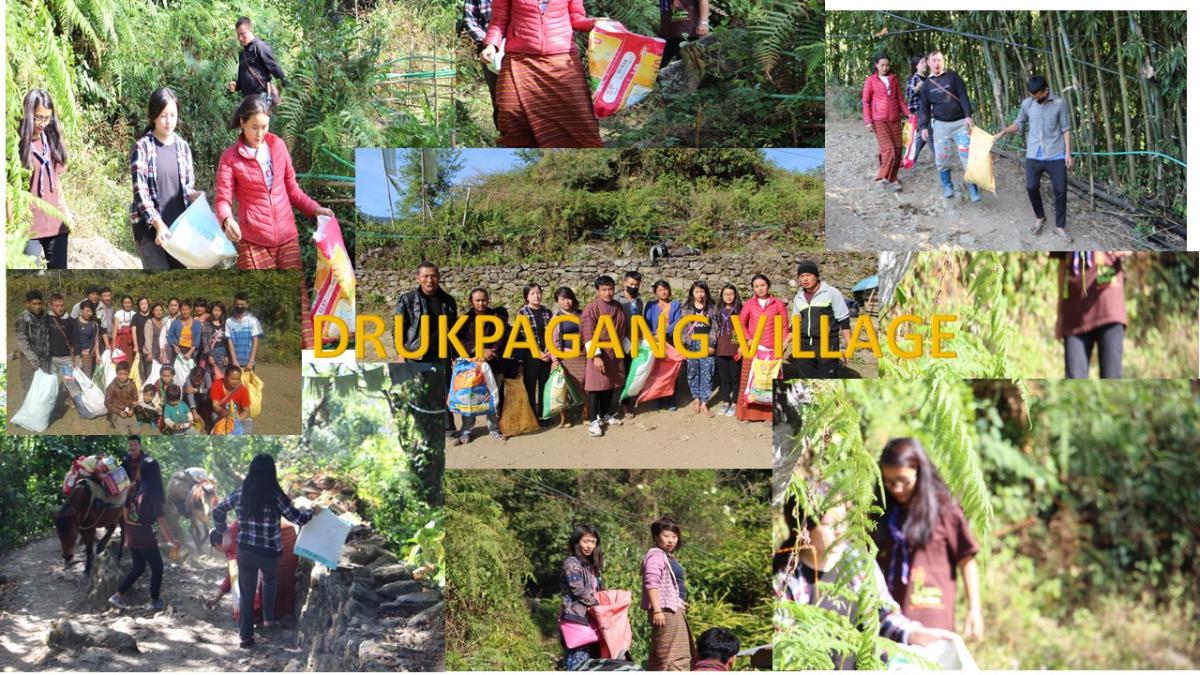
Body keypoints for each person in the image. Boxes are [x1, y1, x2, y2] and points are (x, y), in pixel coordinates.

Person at [774, 494, 957, 668]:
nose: (840, 531)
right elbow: (786, 646)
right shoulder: (787, 582)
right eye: (830, 524)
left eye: (843, 521)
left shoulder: (859, 563)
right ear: (804, 530)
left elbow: (884, 616)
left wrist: (916, 634)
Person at [214, 95, 332, 350]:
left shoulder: (277, 146)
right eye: (254, 127)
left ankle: (309, 359)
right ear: (243, 123)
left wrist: (316, 209)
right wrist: (227, 219)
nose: (259, 133)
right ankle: (261, 357)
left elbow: (293, 189)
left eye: (264, 127)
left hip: (286, 237)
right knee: (261, 303)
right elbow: (222, 198)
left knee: (297, 299)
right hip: (253, 241)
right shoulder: (230, 158)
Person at [876, 439, 983, 638]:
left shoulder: (945, 509)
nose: (897, 489)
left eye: (904, 481)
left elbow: (967, 560)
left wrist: (974, 610)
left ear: (920, 473)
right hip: (892, 623)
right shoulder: (882, 511)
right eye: (889, 482)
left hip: (932, 619)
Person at [211, 454, 315, 648]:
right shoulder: (275, 496)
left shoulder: (241, 493)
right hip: (269, 553)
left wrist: (221, 529)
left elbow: (217, 510)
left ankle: (245, 638)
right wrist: (311, 512)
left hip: (246, 551)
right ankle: (268, 619)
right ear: (271, 473)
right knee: (269, 581)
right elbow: (298, 519)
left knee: (247, 594)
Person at [478, 0, 604, 148]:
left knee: (578, 121)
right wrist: (491, 45)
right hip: (519, 59)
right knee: (510, 111)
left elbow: (576, 18)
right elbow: (499, 20)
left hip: (562, 60)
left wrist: (594, 23)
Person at [993, 75, 1075, 242]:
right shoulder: (1027, 104)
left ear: (1046, 90)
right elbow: (1019, 123)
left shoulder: (1059, 103)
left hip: (1055, 153)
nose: (1035, 99)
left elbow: (1066, 129)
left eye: (1038, 96)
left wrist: (1068, 153)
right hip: (1034, 153)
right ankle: (1040, 216)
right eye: (1032, 96)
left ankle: (1060, 227)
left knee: (1060, 190)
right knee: (1031, 187)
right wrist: (1004, 131)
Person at [129, 87, 199, 269]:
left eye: (173, 115)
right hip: (150, 231)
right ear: (153, 116)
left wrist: (198, 202)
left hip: (179, 232)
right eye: (163, 116)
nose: (169, 122)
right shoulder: (142, 147)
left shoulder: (183, 147)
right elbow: (140, 193)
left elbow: (188, 188)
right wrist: (158, 224)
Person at [108, 457, 181, 611]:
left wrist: (129, 524)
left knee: (139, 567)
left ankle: (117, 596)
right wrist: (172, 541)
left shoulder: (134, 487)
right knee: (158, 567)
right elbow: (162, 521)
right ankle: (154, 601)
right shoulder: (153, 493)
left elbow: (125, 508)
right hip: (144, 535)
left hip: (131, 531)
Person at [396, 262, 459, 436]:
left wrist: (455, 354)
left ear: (439, 277)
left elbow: (454, 330)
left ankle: (448, 429)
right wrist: (401, 354)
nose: (429, 280)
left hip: (442, 353)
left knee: (444, 391)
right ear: (418, 278)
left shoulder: (448, 301)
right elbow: (398, 328)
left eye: (433, 276)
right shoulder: (407, 299)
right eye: (425, 276)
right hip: (416, 354)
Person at [1050, 251, 1128, 378]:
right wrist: (1060, 315)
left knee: (1111, 378)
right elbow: (1062, 265)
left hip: (1108, 305)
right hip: (1075, 312)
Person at [18, 89, 72, 268]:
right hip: (28, 225)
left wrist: (66, 213)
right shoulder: (16, 142)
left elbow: (57, 182)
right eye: (38, 117)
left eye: (47, 118)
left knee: (59, 277)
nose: (43, 123)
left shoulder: (51, 136)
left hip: (56, 223)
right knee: (31, 276)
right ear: (28, 113)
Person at [918, 50, 979, 201]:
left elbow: (963, 96)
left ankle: (973, 187)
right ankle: (947, 185)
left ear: (943, 61)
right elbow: (924, 107)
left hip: (960, 124)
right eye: (933, 61)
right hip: (940, 125)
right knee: (942, 156)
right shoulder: (926, 85)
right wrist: (923, 126)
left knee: (967, 156)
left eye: (939, 60)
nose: (937, 63)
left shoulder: (953, 77)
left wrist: (968, 116)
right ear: (929, 63)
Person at [456, 288, 507, 444]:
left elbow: (503, 337)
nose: (481, 303)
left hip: (494, 362)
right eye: (477, 300)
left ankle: (494, 428)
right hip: (472, 365)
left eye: (484, 300)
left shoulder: (496, 317)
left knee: (493, 396)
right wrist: (478, 351)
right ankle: (466, 429)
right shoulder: (464, 319)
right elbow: (459, 340)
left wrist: (492, 352)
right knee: (469, 396)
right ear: (471, 301)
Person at [580, 275, 628, 437]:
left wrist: (628, 348)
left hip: (615, 351)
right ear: (597, 291)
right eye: (604, 290)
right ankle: (594, 421)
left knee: (610, 384)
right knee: (595, 387)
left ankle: (604, 415)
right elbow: (588, 333)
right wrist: (596, 356)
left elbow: (623, 329)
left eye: (610, 289)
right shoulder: (591, 308)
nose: (608, 293)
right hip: (599, 351)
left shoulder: (618, 306)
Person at [643, 516, 693, 671]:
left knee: (667, 654)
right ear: (656, 537)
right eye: (666, 536)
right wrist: (657, 610)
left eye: (674, 536)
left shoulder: (667, 556)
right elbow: (651, 583)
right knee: (675, 657)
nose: (671, 540)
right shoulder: (656, 555)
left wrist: (679, 601)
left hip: (673, 609)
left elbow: (672, 585)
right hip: (665, 611)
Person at [736, 274, 788, 422]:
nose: (760, 288)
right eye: (756, 286)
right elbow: (740, 323)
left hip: (772, 349)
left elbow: (784, 327)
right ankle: (746, 414)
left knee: (770, 382)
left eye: (762, 285)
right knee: (749, 381)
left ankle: (770, 415)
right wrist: (748, 339)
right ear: (753, 288)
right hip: (753, 348)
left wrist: (782, 345)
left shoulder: (778, 304)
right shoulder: (749, 304)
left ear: (768, 285)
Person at [789, 261, 852, 379]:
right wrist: (784, 343)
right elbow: (795, 324)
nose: (805, 279)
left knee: (826, 379)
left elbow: (844, 320)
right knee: (805, 378)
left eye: (808, 275)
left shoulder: (831, 292)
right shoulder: (798, 297)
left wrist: (850, 346)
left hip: (827, 344)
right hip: (804, 344)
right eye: (802, 276)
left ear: (816, 276)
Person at [862, 52, 910, 192]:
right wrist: (868, 121)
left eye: (887, 65)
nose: (885, 68)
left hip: (895, 120)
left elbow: (900, 100)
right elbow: (866, 102)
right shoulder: (870, 80)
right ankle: (881, 178)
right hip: (879, 120)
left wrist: (908, 114)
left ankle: (893, 179)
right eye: (882, 65)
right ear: (876, 65)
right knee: (888, 149)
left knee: (897, 149)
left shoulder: (893, 79)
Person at [560, 524, 605, 670]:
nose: (590, 545)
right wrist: (598, 604)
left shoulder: (591, 567)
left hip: (591, 619)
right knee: (578, 661)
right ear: (576, 542)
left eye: (593, 542)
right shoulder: (572, 563)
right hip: (576, 618)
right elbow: (578, 590)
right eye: (586, 541)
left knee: (591, 662)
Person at [515, 283, 555, 427]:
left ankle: (544, 415)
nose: (537, 296)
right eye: (533, 293)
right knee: (530, 386)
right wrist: (538, 352)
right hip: (530, 355)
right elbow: (523, 335)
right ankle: (532, 416)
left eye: (538, 293)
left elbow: (552, 332)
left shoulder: (547, 311)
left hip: (547, 354)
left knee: (545, 385)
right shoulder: (522, 313)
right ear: (526, 296)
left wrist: (549, 351)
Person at [227, 17, 287, 107]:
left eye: (243, 34)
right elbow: (242, 79)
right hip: (248, 100)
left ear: (250, 30)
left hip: (261, 96)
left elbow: (274, 67)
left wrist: (289, 86)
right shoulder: (242, 54)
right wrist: (236, 85)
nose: (240, 38)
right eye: (238, 35)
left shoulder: (260, 46)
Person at [551, 286, 588, 428]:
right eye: (563, 299)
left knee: (584, 387)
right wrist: (555, 360)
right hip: (565, 358)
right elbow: (553, 341)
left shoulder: (582, 314)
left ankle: (585, 414)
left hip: (582, 356)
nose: (566, 302)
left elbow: (588, 334)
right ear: (557, 301)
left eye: (569, 298)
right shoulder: (556, 318)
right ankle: (564, 418)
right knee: (563, 389)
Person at [645, 280, 684, 411]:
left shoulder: (676, 304)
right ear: (655, 292)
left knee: (672, 370)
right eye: (660, 290)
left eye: (665, 289)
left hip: (672, 341)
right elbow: (646, 323)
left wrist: (662, 332)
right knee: (656, 371)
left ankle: (671, 398)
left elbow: (678, 323)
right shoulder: (651, 305)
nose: (663, 292)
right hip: (655, 341)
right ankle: (657, 398)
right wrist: (653, 335)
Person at [460, 0, 499, 130]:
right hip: (490, 52)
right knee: (499, 100)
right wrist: (490, 43)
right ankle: (505, 138)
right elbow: (470, 20)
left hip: (520, 48)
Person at [682, 281, 718, 418]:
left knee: (707, 372)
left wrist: (712, 344)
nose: (699, 294)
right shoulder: (686, 308)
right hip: (691, 344)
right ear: (692, 292)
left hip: (706, 343)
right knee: (692, 371)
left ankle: (705, 402)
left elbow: (715, 327)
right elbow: (683, 327)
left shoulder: (712, 308)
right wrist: (684, 344)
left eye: (702, 291)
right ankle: (696, 398)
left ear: (706, 292)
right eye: (697, 291)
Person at [615, 271, 644, 420]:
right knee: (617, 373)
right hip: (618, 341)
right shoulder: (615, 299)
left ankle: (625, 403)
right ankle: (615, 404)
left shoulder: (639, 300)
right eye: (631, 284)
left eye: (636, 285)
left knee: (630, 373)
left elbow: (640, 319)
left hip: (634, 343)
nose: (633, 287)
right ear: (624, 283)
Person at [47, 293, 81, 408]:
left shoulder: (71, 321)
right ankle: (52, 406)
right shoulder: (46, 319)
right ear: (51, 306)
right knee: (51, 384)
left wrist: (77, 356)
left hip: (66, 359)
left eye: (61, 305)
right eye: (57, 305)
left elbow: (75, 339)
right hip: (50, 359)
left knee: (70, 382)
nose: (60, 308)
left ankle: (78, 404)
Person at [712, 284, 741, 417]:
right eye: (726, 294)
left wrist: (738, 345)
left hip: (735, 347)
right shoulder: (718, 310)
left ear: (735, 295)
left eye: (731, 294)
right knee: (724, 378)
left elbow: (741, 329)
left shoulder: (740, 309)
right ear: (722, 296)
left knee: (735, 377)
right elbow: (714, 329)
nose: (729, 297)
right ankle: (725, 401)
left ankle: (734, 402)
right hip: (721, 348)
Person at [15, 290, 51, 391]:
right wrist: (34, 360)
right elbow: (22, 341)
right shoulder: (23, 318)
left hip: (45, 359)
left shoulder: (45, 316)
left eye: (39, 303)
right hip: (29, 361)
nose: (37, 306)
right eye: (34, 304)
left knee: (43, 388)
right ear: (27, 304)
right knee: (29, 389)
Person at [659, 0, 710, 67]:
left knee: (689, 67)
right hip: (667, 33)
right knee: (655, 67)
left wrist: (704, 22)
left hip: (687, 31)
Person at [227, 292, 264, 373]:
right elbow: (229, 342)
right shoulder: (228, 321)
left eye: (242, 304)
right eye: (237, 304)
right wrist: (234, 361)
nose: (239, 306)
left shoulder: (252, 320)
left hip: (248, 363)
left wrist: (251, 361)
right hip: (233, 362)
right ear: (234, 304)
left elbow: (255, 341)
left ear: (247, 305)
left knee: (247, 386)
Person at [212, 365, 254, 434]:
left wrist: (236, 421)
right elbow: (215, 405)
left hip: (238, 416)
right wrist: (222, 411)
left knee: (247, 431)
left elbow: (247, 411)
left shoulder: (243, 390)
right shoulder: (217, 384)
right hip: (220, 414)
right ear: (225, 377)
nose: (235, 382)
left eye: (238, 379)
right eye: (232, 379)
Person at [904, 55, 928, 167]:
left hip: (928, 110)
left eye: (925, 62)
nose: (925, 64)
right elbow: (907, 95)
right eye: (922, 62)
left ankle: (911, 159)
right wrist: (916, 88)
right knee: (928, 133)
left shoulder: (929, 78)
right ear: (916, 66)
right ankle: (939, 159)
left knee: (923, 137)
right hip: (917, 110)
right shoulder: (914, 78)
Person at [106, 361, 140, 433]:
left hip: (129, 411)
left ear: (128, 374)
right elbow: (107, 402)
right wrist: (119, 412)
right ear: (116, 373)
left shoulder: (132, 385)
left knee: (136, 432)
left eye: (125, 374)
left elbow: (135, 399)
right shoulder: (112, 386)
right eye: (120, 374)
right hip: (117, 412)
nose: (122, 376)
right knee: (123, 433)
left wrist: (132, 410)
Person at [167, 299, 201, 366]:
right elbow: (169, 337)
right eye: (182, 309)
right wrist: (174, 346)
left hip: (191, 351)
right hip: (178, 350)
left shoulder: (196, 322)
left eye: (187, 309)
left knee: (190, 373)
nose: (185, 312)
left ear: (191, 309)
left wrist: (189, 353)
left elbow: (197, 339)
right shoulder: (175, 323)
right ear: (180, 310)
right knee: (176, 373)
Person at [204, 301, 231, 380]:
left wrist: (227, 356)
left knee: (221, 377)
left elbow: (227, 342)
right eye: (215, 310)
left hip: (222, 354)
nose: (217, 313)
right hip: (210, 354)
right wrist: (209, 355)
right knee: (209, 377)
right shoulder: (207, 324)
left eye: (219, 311)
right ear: (211, 311)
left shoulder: (225, 325)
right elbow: (205, 342)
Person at [75, 300, 102, 378]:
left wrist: (98, 355)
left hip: (88, 355)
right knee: (75, 377)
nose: (89, 313)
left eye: (91, 312)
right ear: (82, 310)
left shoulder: (94, 324)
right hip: (75, 355)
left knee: (86, 378)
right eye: (87, 311)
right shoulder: (74, 322)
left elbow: (96, 340)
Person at [143, 302, 167, 374]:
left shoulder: (164, 322)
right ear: (153, 311)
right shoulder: (149, 322)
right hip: (151, 351)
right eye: (156, 310)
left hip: (161, 352)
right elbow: (147, 339)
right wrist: (149, 352)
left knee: (160, 373)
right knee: (151, 373)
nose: (158, 312)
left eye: (160, 310)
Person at [112, 295, 138, 362]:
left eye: (129, 303)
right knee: (121, 357)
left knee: (131, 358)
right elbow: (115, 329)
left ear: (131, 303)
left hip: (131, 340)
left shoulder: (134, 314)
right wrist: (113, 342)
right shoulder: (118, 313)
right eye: (125, 303)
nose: (127, 305)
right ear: (122, 304)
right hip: (121, 339)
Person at [131, 298, 152, 373]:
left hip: (149, 346)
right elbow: (133, 331)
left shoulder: (152, 315)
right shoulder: (135, 316)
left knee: (149, 368)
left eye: (145, 303)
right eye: (142, 304)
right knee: (140, 368)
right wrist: (135, 346)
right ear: (139, 306)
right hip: (139, 345)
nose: (144, 306)